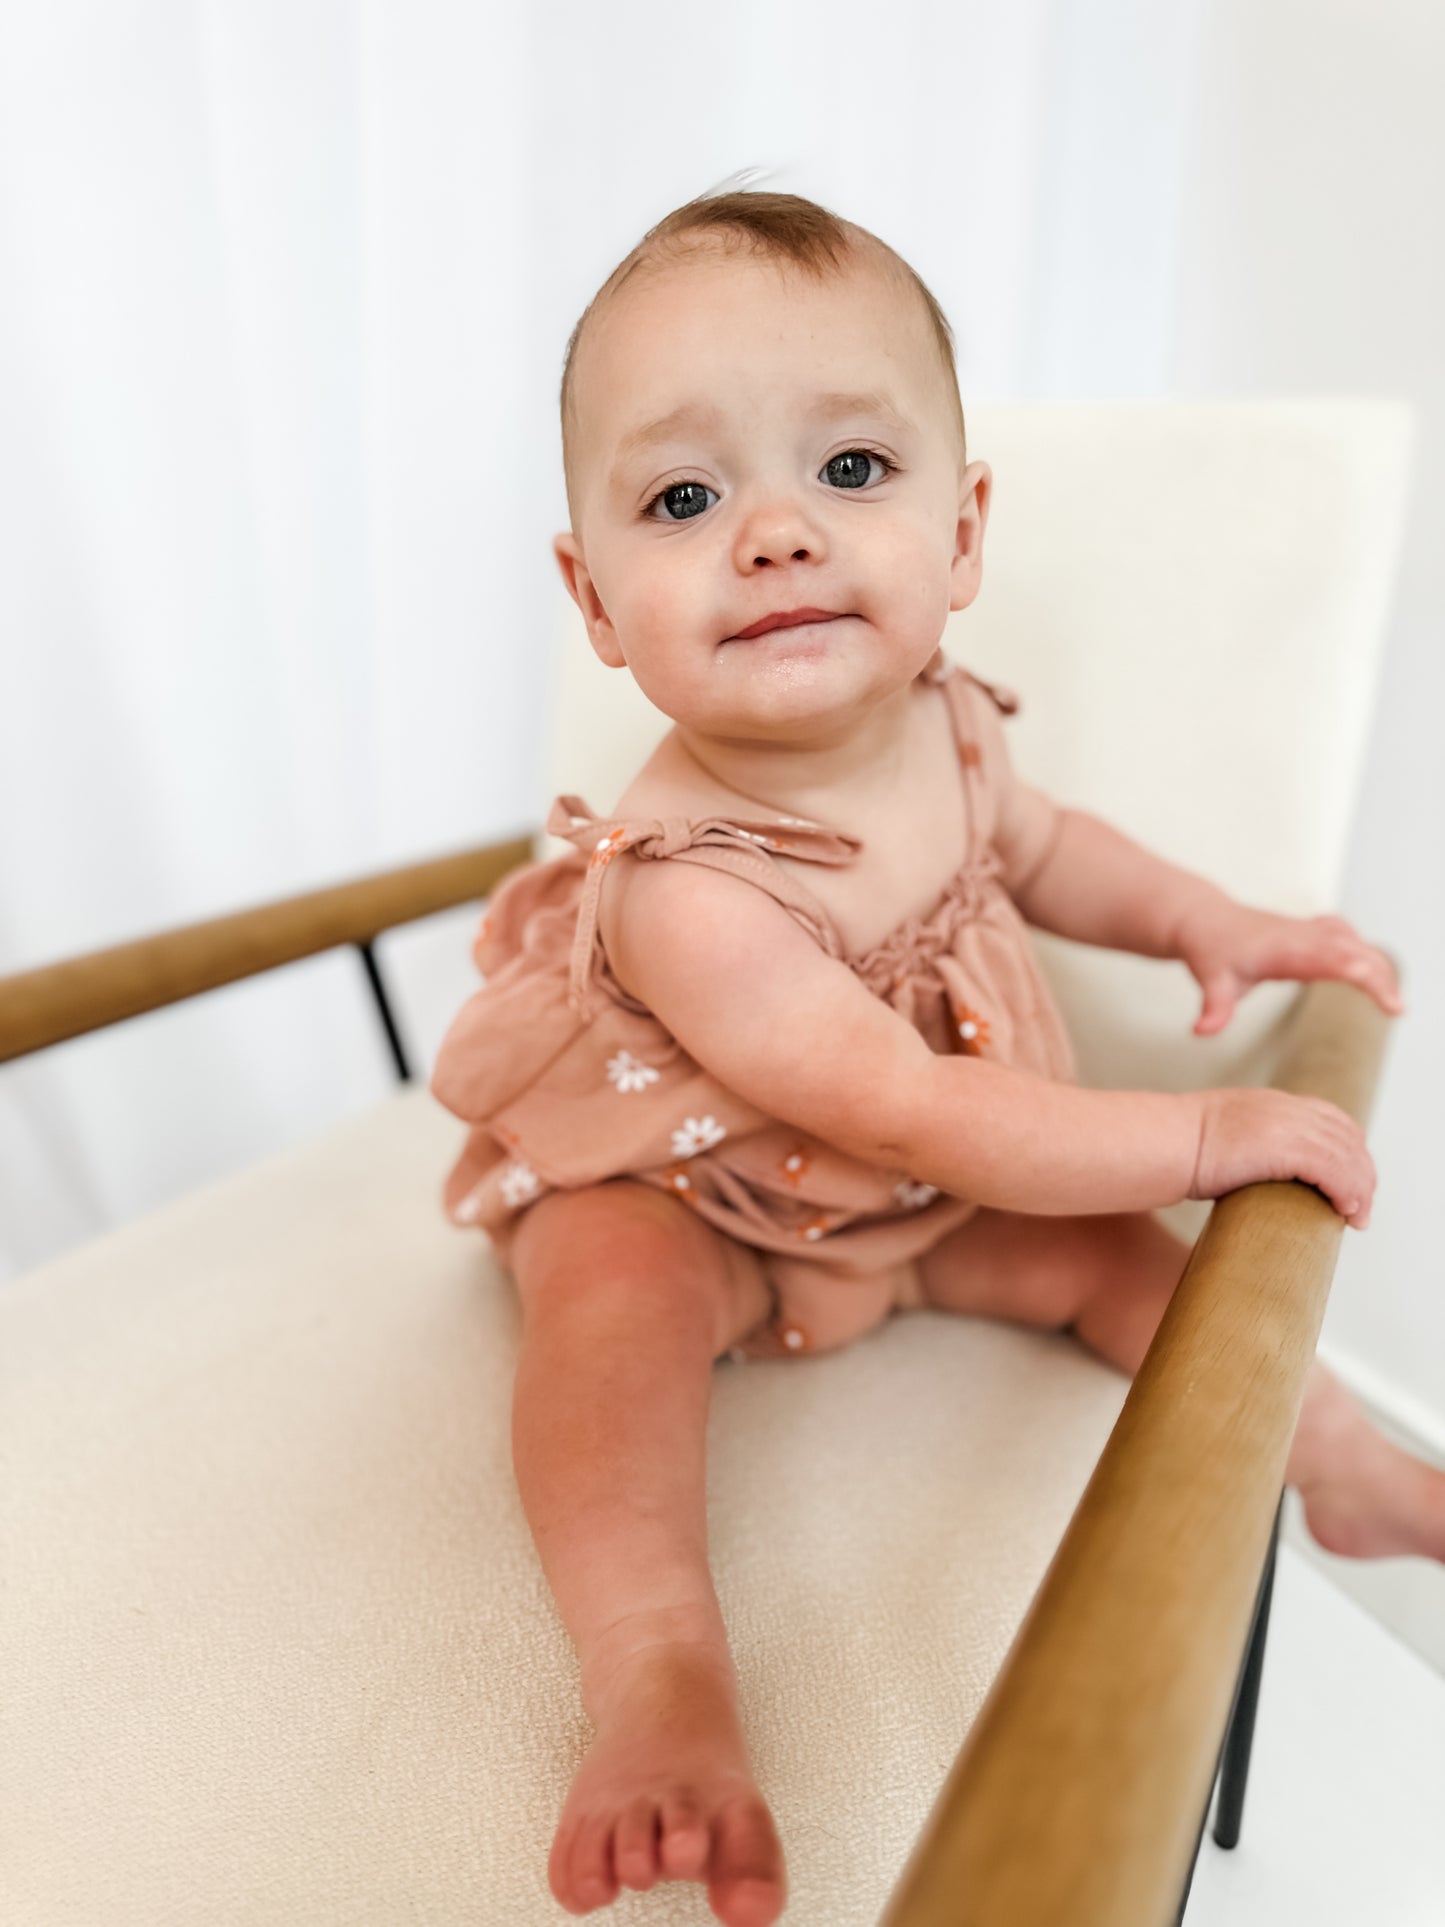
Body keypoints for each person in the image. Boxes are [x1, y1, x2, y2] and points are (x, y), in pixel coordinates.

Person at [431, 190, 1437, 1927]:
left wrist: (1222, 925)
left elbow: (1054, 852)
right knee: (600, 1328)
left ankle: (1341, 1471)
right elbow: (918, 1105)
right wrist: (1198, 1136)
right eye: (684, 499)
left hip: (907, 1192)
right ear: (595, 600)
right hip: (690, 1192)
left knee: (1124, 1265)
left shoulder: (946, 720)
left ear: (961, 537)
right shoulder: (693, 891)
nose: (772, 536)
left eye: (849, 473)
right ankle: (659, 1674)